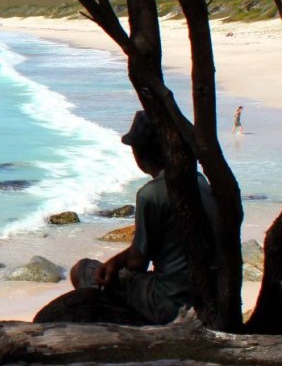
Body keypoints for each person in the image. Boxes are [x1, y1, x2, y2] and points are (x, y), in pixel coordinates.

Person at [37, 110, 218, 326]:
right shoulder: (200, 182)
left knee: (83, 270)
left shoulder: (151, 195)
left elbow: (137, 263)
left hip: (171, 302)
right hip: (209, 294)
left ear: (139, 154)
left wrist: (115, 264)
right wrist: (117, 261)